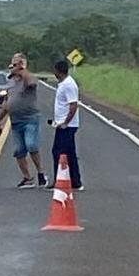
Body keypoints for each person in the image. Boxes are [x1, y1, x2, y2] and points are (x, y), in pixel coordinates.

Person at [0, 54, 47, 188]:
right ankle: (27, 177)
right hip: (16, 120)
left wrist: (22, 70)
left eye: (15, 65)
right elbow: (7, 103)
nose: (13, 69)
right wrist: (0, 120)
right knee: (19, 150)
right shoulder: (11, 83)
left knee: (31, 145)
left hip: (30, 118)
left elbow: (32, 83)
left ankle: (41, 172)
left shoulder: (28, 79)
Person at [52, 58, 83, 189]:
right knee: (69, 153)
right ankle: (75, 182)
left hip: (67, 125)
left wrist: (65, 122)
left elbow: (73, 105)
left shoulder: (69, 85)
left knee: (58, 152)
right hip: (62, 124)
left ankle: (60, 181)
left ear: (58, 71)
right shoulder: (63, 83)